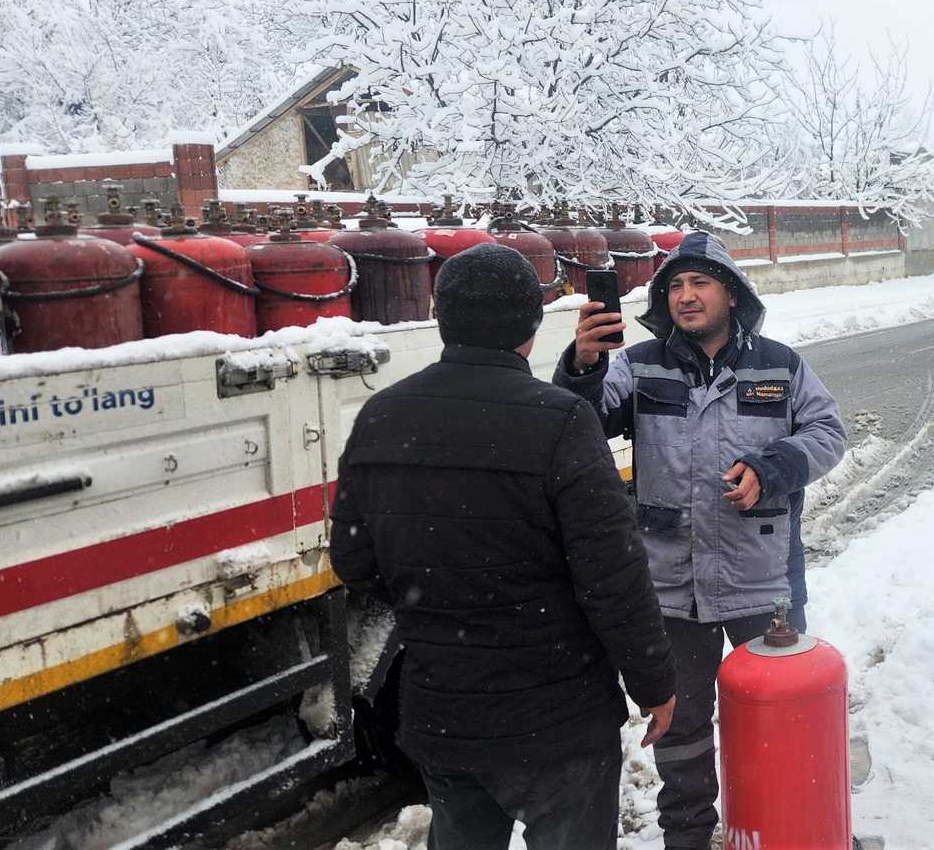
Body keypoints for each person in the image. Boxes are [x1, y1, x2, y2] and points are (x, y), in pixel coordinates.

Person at [330, 242, 677, 850]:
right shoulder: (561, 421)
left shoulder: (382, 415)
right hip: (560, 722)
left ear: (439, 314)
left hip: (444, 713)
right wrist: (655, 684)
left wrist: (438, 593)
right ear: (532, 323)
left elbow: (354, 562)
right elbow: (612, 577)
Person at [554, 231, 846, 849]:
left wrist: (773, 468)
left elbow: (827, 431)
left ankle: (780, 827)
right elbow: (579, 426)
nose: (686, 296)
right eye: (675, 286)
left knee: (778, 714)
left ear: (732, 294)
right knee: (681, 728)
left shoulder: (780, 365)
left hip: (763, 581)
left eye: (700, 283)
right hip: (669, 586)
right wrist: (582, 368)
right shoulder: (638, 365)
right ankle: (687, 838)